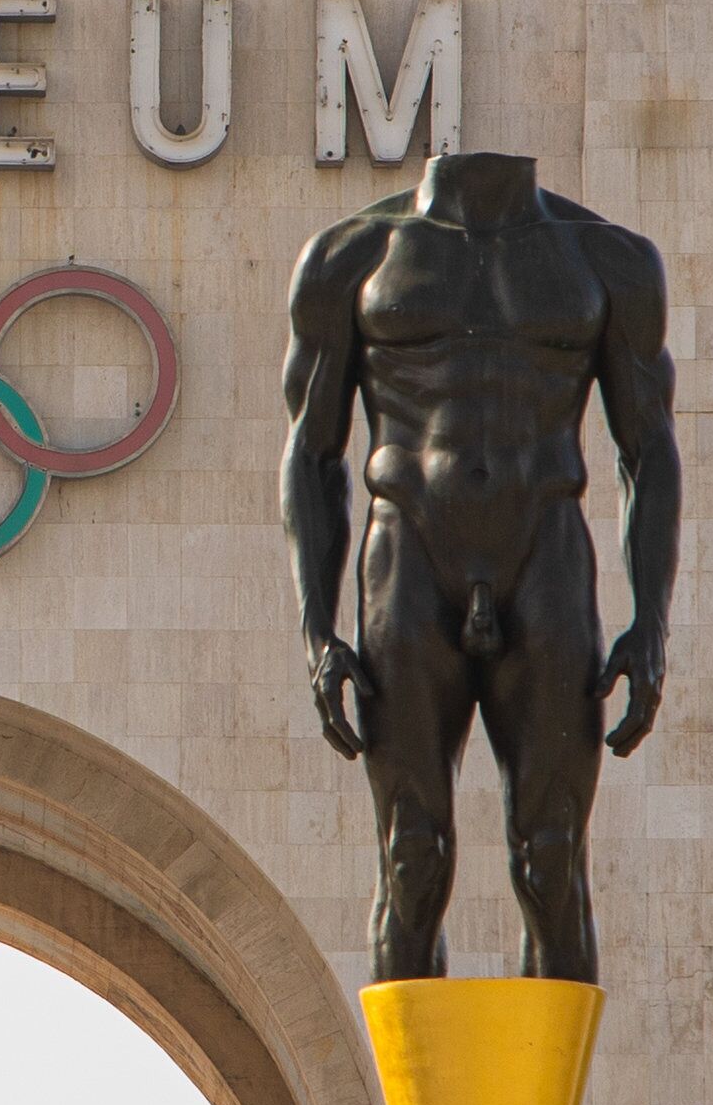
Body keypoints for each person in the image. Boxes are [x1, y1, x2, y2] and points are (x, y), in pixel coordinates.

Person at [281, 151, 677, 984]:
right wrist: (319, 631)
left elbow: (649, 450)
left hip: (546, 555)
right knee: (412, 861)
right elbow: (313, 455)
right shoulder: (354, 255)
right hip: (408, 559)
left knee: (552, 858)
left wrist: (652, 624)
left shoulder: (606, 259)